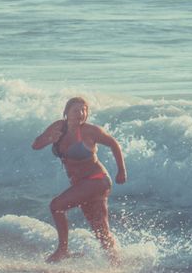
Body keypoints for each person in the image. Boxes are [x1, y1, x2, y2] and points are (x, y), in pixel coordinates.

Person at [32, 96, 126, 264]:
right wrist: (49, 140)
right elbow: (36, 145)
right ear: (66, 112)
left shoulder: (90, 131)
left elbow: (114, 144)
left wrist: (121, 171)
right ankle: (116, 263)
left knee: (56, 206)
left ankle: (62, 250)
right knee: (100, 229)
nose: (80, 113)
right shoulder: (58, 127)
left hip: (97, 180)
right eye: (76, 110)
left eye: (84, 110)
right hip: (81, 184)